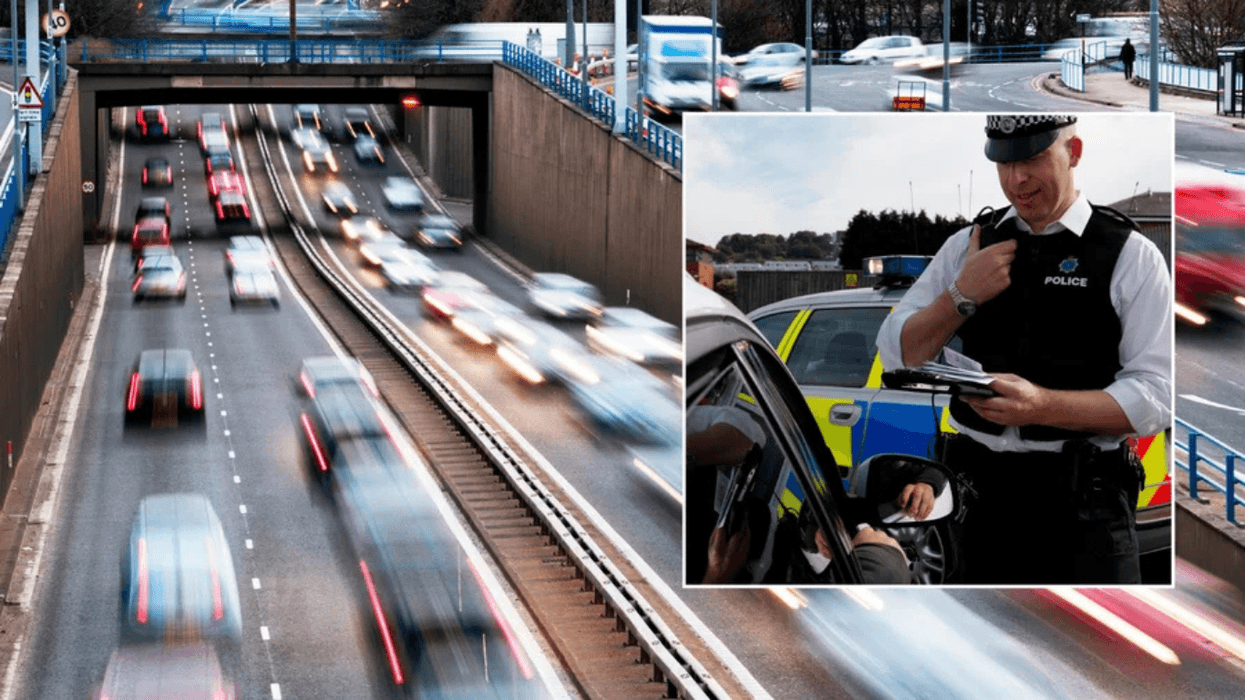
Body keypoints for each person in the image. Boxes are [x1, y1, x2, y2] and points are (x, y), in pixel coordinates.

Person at [876, 114, 1172, 585]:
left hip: (1083, 506)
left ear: (1073, 152)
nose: (1016, 179)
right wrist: (961, 296)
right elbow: (897, 353)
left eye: (1032, 158)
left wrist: (1043, 405)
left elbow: (1158, 395)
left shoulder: (1130, 255)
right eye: (1003, 162)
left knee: (1091, 651)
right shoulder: (967, 247)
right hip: (977, 499)